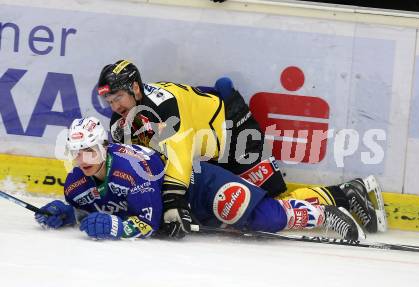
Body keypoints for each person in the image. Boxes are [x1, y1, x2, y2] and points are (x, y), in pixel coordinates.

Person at [97, 60, 386, 238]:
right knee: (250, 208)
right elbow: (136, 163)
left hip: (234, 130)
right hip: (210, 149)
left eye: (118, 98)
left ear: (135, 88)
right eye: (109, 102)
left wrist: (173, 204)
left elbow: (179, 154)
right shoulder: (121, 122)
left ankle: (346, 194)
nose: (115, 107)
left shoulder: (163, 105)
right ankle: (345, 194)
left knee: (273, 200)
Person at [35, 117, 365, 241]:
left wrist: (116, 228)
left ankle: (325, 213)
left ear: (104, 147)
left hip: (200, 188)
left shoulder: (131, 166)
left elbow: (148, 222)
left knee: (264, 218)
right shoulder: (77, 182)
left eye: (89, 151)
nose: (82, 160)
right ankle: (337, 194)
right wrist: (69, 214)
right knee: (249, 222)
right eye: (76, 153)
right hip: (184, 208)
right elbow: (97, 206)